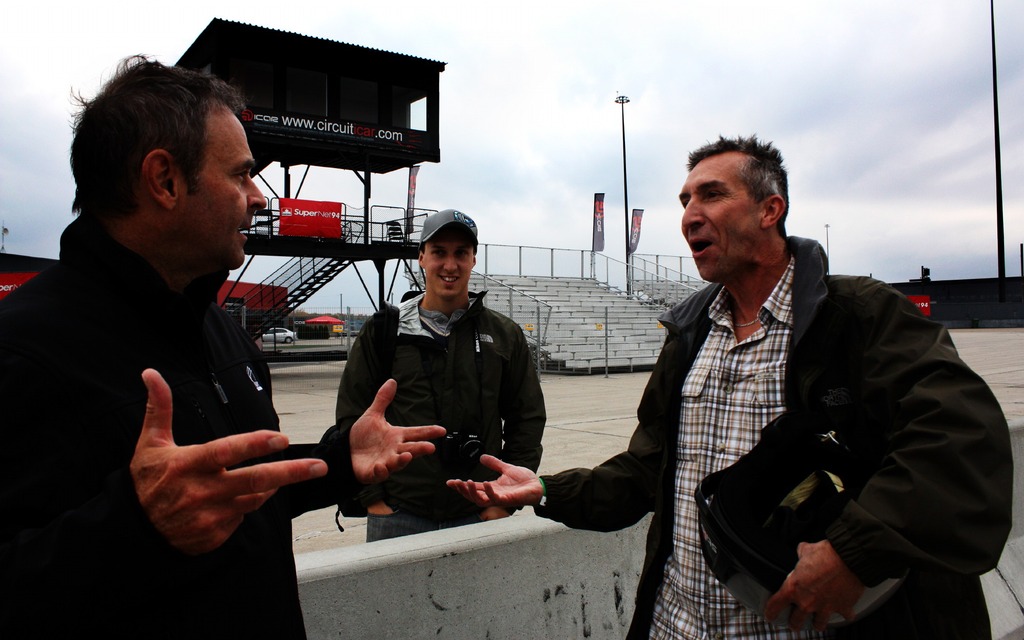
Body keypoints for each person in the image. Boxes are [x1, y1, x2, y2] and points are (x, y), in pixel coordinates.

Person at [448, 135, 1013, 639]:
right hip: (678, 622)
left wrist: (853, 552)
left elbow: (961, 437)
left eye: (712, 195)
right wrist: (545, 490)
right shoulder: (689, 335)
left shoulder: (857, 316)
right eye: (685, 201)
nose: (691, 214)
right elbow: (649, 470)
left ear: (772, 209)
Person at [0, 56, 445, 639]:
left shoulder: (220, 329)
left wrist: (339, 462)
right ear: (164, 181)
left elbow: (237, 491)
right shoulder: (24, 351)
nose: (258, 198)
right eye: (239, 175)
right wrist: (133, 525)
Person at [335, 209, 546, 541]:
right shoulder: (384, 331)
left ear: (474, 259)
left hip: (481, 511)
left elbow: (527, 418)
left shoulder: (504, 335)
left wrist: (503, 504)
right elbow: (351, 415)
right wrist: (372, 499)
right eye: (439, 253)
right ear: (421, 257)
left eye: (461, 253)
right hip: (398, 512)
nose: (450, 265)